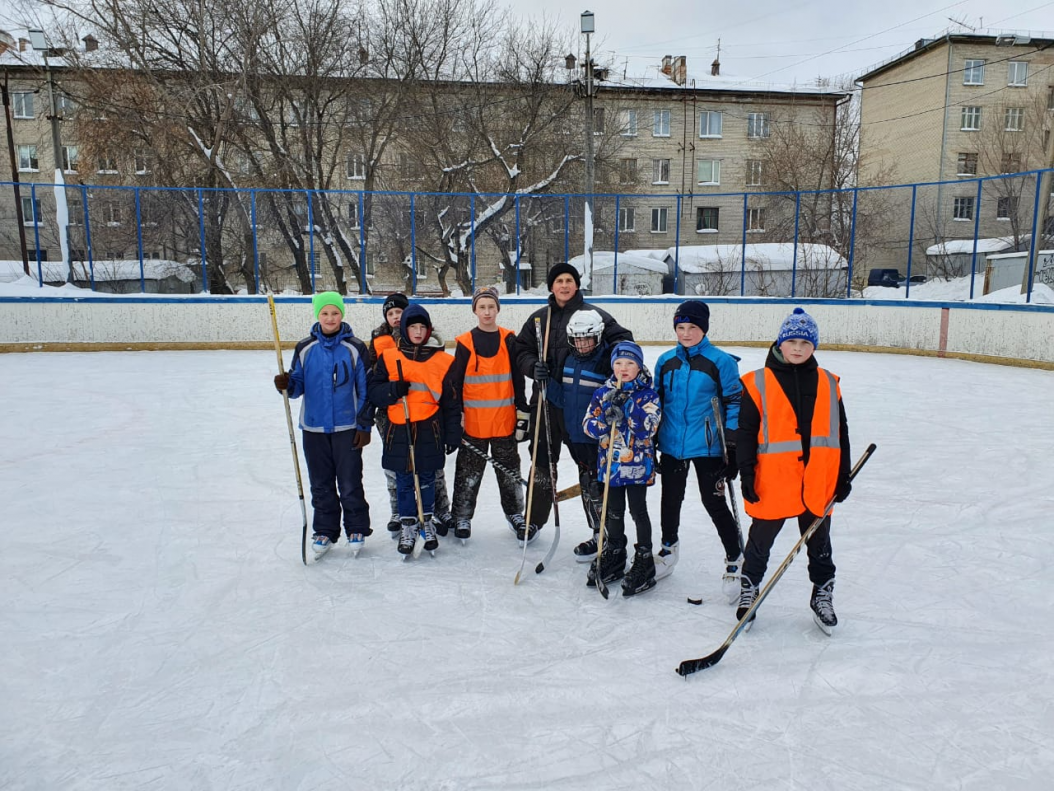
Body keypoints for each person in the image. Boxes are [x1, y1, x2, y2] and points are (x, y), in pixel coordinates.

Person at [735, 307, 852, 633]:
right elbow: (745, 433)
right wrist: (745, 472)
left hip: (818, 479)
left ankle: (822, 592)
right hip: (773, 479)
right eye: (792, 341)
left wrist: (842, 474)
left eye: (805, 342)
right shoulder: (757, 382)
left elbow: (840, 431)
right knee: (760, 542)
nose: (798, 348)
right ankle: (750, 588)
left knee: (819, 543)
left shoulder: (829, 382)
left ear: (813, 346)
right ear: (780, 343)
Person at [513, 262, 632, 545]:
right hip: (546, 402)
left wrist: (608, 361)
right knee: (542, 461)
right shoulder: (539, 319)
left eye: (569, 280)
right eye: (559, 281)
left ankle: (598, 527)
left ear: (576, 285)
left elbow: (623, 341)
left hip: (583, 405)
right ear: (551, 286)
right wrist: (532, 366)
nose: (564, 286)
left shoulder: (594, 315)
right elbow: (520, 350)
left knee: (589, 466)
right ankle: (533, 520)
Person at [654, 300, 745, 602]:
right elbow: (657, 402)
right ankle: (668, 549)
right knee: (670, 499)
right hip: (671, 444)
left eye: (692, 327)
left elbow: (734, 402)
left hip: (708, 446)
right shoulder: (666, 361)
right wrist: (652, 439)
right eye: (681, 327)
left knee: (714, 502)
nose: (686, 333)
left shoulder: (721, 362)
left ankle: (735, 558)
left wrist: (731, 443)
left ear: (703, 328)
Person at [273, 291, 373, 558]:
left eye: (335, 313)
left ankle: (357, 527)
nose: (330, 318)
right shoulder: (305, 348)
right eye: (325, 313)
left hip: (347, 428)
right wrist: (286, 384)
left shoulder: (355, 347)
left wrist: (364, 425)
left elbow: (365, 389)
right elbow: (297, 388)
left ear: (342, 314)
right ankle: (325, 530)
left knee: (350, 481)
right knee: (321, 482)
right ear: (317, 315)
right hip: (314, 428)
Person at [367, 305, 462, 556]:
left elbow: (452, 403)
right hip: (399, 428)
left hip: (430, 427)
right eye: (413, 327)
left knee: (428, 477)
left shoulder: (443, 360)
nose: (418, 332)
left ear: (428, 329)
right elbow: (373, 392)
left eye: (422, 327)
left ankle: (427, 520)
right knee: (405, 480)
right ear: (404, 329)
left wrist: (453, 433)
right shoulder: (389, 358)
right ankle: (408, 524)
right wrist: (391, 391)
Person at [450, 287, 530, 542]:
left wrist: (522, 407)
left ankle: (516, 514)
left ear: (497, 309)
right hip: (473, 425)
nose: (487, 312)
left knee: (509, 473)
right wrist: (456, 416)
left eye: (491, 307)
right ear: (475, 310)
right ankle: (461, 516)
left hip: (504, 422)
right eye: (482, 307)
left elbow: (518, 379)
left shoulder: (509, 339)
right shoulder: (464, 343)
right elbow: (456, 382)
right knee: (468, 474)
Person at [582, 341, 662, 595]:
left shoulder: (648, 395)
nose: (623, 368)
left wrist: (627, 407)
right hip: (610, 468)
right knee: (613, 511)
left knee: (638, 511)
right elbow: (588, 424)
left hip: (637, 468)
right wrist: (606, 419)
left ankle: (644, 557)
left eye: (630, 363)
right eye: (618, 363)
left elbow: (647, 429)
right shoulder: (603, 393)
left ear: (639, 366)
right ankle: (616, 550)